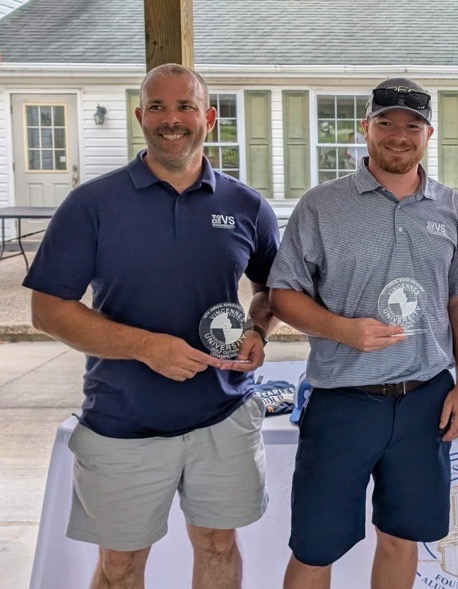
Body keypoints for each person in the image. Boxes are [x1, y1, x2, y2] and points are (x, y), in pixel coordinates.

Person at [23, 63, 280, 589]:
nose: (172, 119)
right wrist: (144, 347)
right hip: (122, 420)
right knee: (120, 565)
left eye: (185, 106)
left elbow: (272, 291)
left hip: (222, 414)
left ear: (208, 117)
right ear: (140, 117)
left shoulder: (246, 205)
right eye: (158, 107)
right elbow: (48, 310)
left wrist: (259, 331)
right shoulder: (92, 205)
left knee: (217, 544)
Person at [268, 78, 458, 589]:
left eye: (412, 125)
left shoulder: (451, 207)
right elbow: (282, 296)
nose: (398, 135)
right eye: (386, 123)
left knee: (401, 537)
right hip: (342, 400)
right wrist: (341, 330)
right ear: (365, 129)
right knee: (315, 547)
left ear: (429, 134)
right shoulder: (321, 206)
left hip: (424, 400)